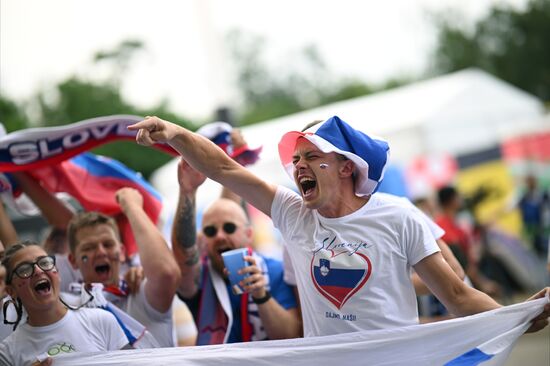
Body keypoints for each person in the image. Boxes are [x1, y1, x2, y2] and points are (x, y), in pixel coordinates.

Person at [128, 115, 550, 337]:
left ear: (347, 167)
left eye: (311, 158)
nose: (298, 168)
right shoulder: (292, 213)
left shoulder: (397, 215)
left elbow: (457, 294)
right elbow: (223, 168)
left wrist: (515, 316)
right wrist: (174, 134)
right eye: (295, 161)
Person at [172, 158, 300, 344]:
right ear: (203, 239)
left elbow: (293, 335)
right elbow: (183, 256)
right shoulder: (202, 277)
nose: (220, 236)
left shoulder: (275, 271)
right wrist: (187, 192)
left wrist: (260, 294)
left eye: (230, 228)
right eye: (210, 231)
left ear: (249, 234)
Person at [66, 187, 181, 347]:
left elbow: (166, 273)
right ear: (73, 260)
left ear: (121, 252)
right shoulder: (68, 310)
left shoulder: (140, 294)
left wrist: (132, 207)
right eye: (89, 248)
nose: (101, 252)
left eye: (108, 244)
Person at [0, 241, 128, 366]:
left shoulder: (102, 321)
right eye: (24, 269)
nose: (38, 270)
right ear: (11, 291)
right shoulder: (7, 353)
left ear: (58, 274)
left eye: (45, 262)